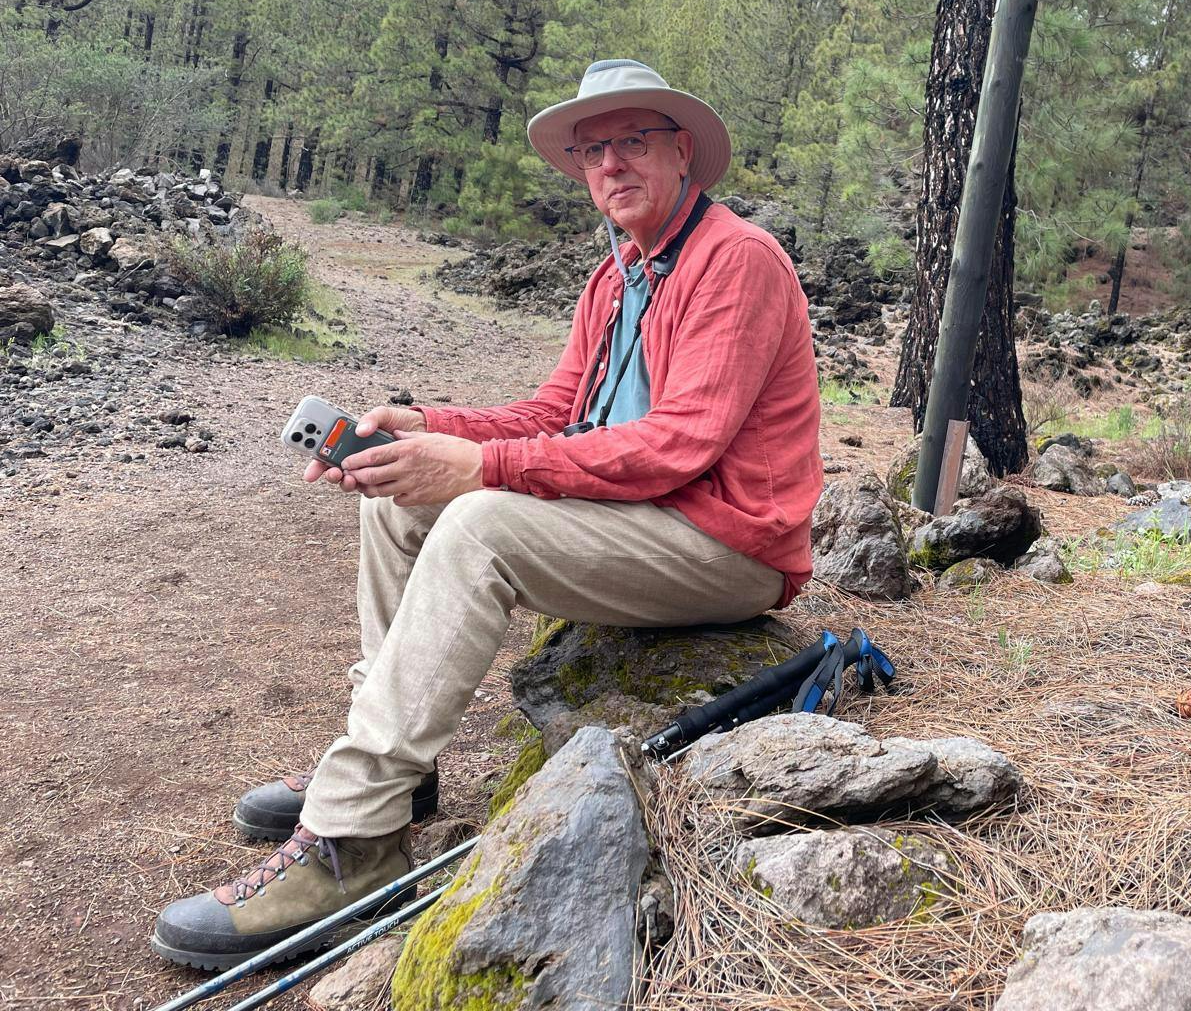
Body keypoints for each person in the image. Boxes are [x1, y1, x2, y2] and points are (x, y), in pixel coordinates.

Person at [152, 59, 824, 970]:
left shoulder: (735, 260)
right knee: (401, 503)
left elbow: (679, 444)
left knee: (478, 522)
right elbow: (554, 412)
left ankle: (349, 842)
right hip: (643, 521)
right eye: (592, 151)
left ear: (681, 152)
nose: (610, 164)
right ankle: (394, 776)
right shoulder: (618, 276)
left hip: (725, 544)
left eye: (632, 141)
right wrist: (428, 430)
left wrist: (480, 467)